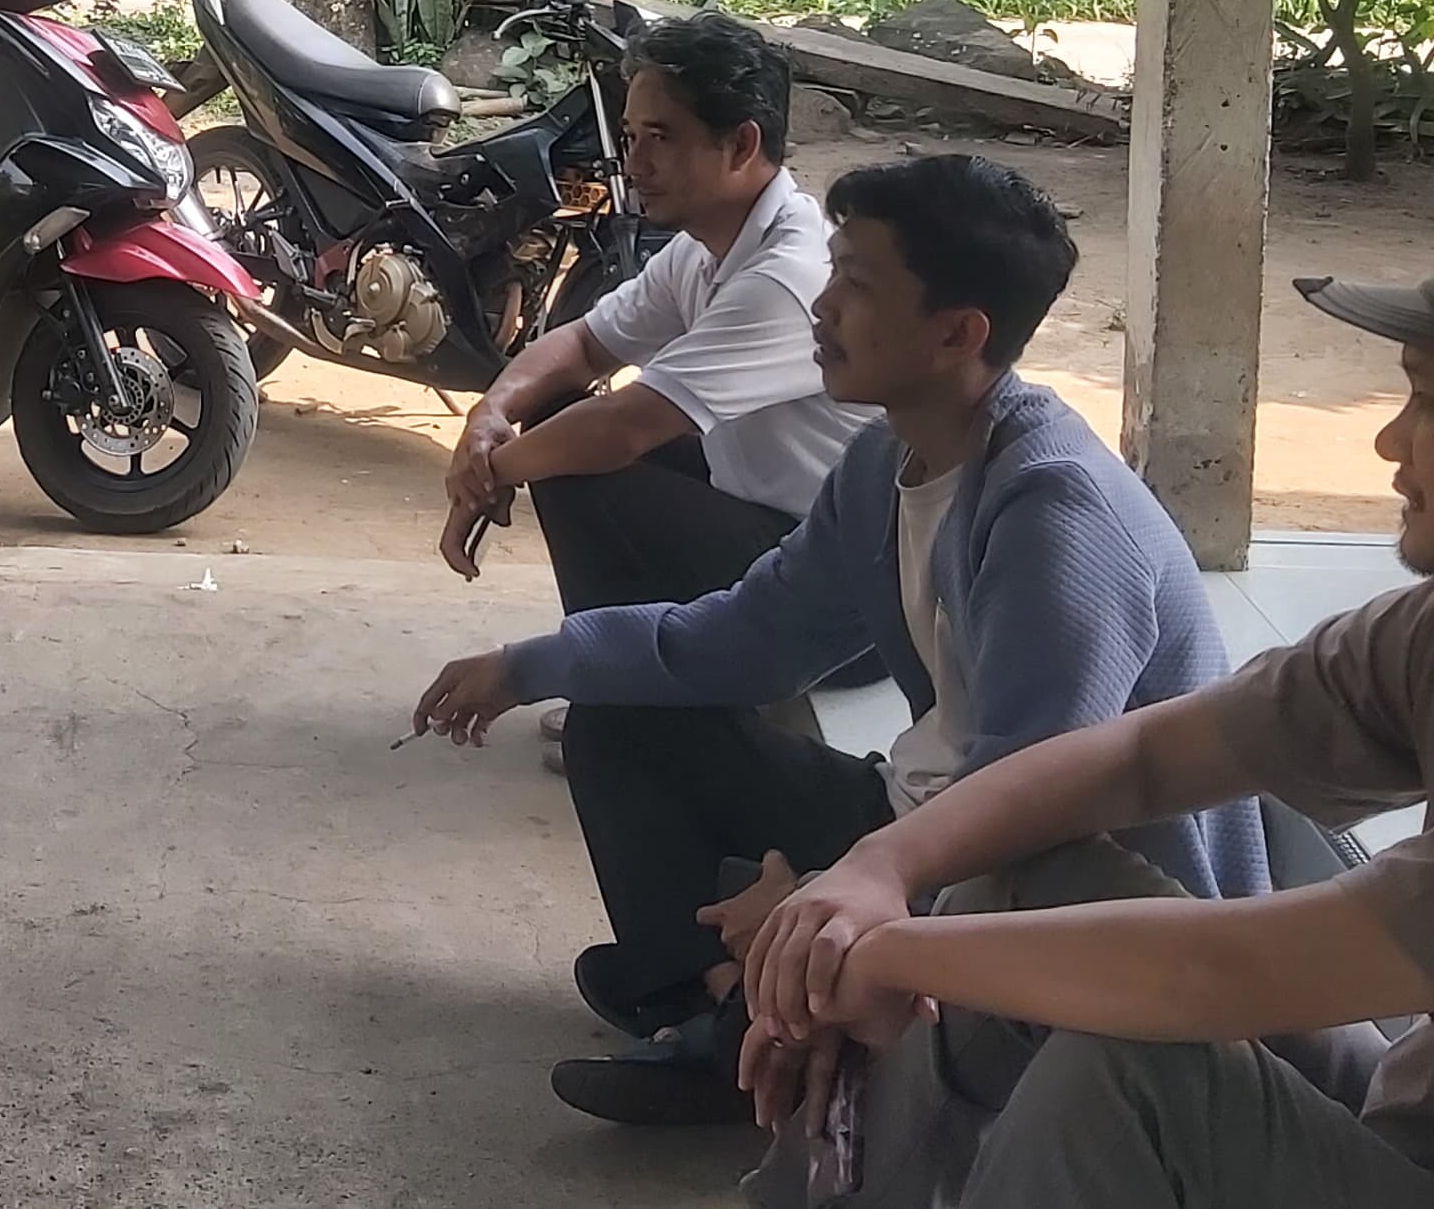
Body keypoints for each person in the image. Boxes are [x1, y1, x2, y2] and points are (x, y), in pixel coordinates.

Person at [730, 208, 1434, 1209]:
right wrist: (872, 881)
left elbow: (1223, 978)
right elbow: (1143, 758)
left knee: (1134, 1074)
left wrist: (894, 956)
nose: (1389, 442)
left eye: (1429, 405)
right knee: (1017, 878)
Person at [413, 153, 1266, 1128]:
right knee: (622, 725)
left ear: (958, 333)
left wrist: (828, 893)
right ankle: (716, 1000)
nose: (821, 310)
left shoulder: (1055, 516)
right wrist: (526, 666)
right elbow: (743, 639)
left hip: (1079, 901)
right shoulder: (887, 459)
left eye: (856, 285)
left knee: (848, 910)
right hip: (929, 819)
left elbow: (1030, 819)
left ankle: (755, 1019)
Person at [439, 14, 871, 623]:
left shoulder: (786, 274)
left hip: (832, 573)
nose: (634, 163)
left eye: (660, 138)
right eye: (631, 135)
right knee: (555, 420)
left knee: (582, 464)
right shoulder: (704, 244)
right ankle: (630, 656)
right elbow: (585, 343)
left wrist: (484, 472)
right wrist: (489, 414)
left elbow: (625, 427)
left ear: (741, 146)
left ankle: (621, 674)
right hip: (761, 506)